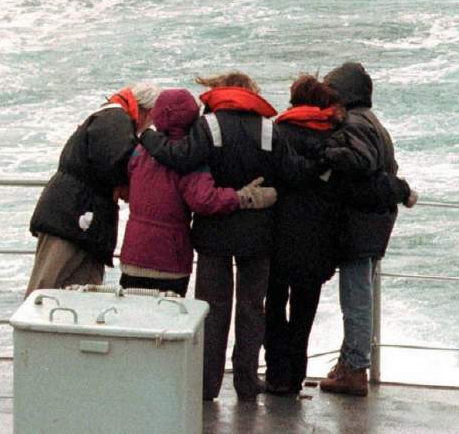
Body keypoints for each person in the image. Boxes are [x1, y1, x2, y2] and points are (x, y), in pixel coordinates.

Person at [138, 71, 320, 401]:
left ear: (220, 92)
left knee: (213, 309)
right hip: (258, 235)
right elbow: (295, 171)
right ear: (251, 92)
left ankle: (207, 387)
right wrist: (326, 159)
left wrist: (147, 136)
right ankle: (247, 385)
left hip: (213, 234)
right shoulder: (269, 129)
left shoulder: (209, 126)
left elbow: (181, 159)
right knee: (252, 309)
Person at [319, 61, 418, 397]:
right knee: (359, 294)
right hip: (374, 221)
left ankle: (355, 367)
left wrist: (326, 152)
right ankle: (350, 362)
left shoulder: (354, 123)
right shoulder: (373, 123)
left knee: (355, 297)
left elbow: (360, 165)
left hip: (359, 223)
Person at [119, 88, 278, 297]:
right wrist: (243, 197)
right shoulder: (190, 161)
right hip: (169, 258)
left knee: (132, 321)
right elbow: (204, 200)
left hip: (133, 252)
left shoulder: (139, 152)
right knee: (166, 321)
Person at [27, 82, 160, 296]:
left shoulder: (108, 116)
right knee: (45, 289)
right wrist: (128, 185)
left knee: (80, 292)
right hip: (72, 217)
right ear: (148, 111)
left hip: (80, 218)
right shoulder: (116, 119)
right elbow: (117, 162)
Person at [263, 75, 345, 396]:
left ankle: (276, 373)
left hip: (276, 234)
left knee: (273, 305)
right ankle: (296, 374)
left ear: (294, 100)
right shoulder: (333, 140)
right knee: (304, 311)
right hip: (317, 239)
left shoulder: (276, 133)